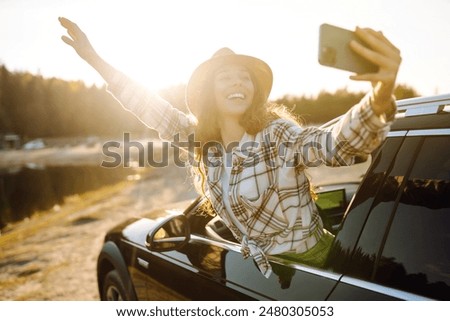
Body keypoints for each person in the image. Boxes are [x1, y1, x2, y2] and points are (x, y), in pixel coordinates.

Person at [59, 17, 401, 278]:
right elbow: (149, 105)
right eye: (227, 77)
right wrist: (94, 60)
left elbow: (335, 145)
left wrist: (380, 96)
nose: (239, 82)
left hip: (317, 270)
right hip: (266, 276)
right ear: (210, 92)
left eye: (245, 77)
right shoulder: (201, 142)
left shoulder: (277, 135)